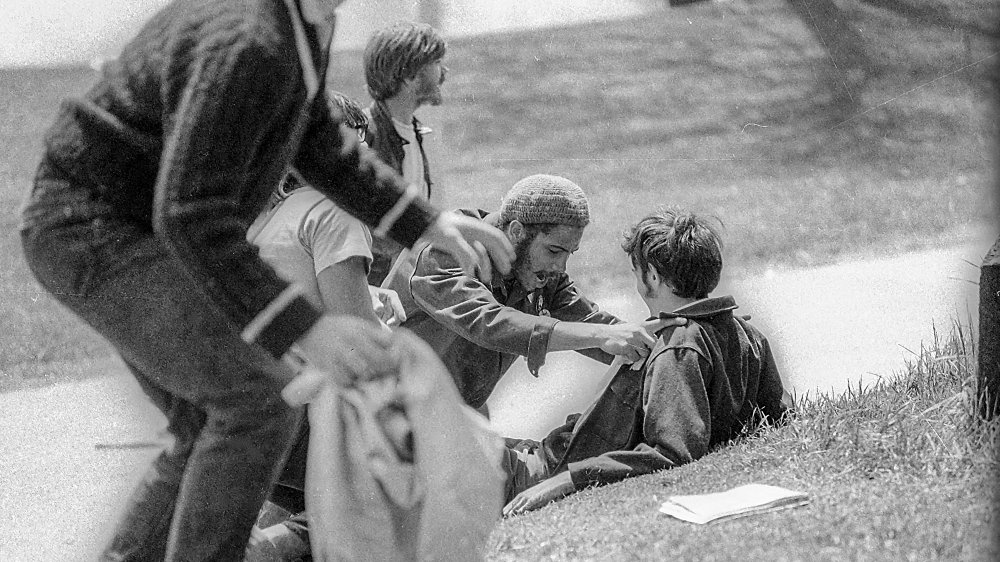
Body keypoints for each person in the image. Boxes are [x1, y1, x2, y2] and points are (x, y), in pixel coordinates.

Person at [18, 1, 513, 560]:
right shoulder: (252, 40)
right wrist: (306, 328)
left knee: (210, 416)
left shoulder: (296, 26)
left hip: (124, 227)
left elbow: (318, 143)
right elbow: (190, 213)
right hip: (92, 226)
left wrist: (424, 220)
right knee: (256, 399)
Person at [500, 208, 793, 516]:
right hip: (552, 452)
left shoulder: (676, 347)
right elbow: (776, 415)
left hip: (549, 469)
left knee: (449, 453)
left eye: (636, 272)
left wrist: (566, 480)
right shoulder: (748, 333)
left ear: (651, 275)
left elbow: (671, 451)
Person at [384, 174, 681, 411]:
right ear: (515, 231)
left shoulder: (540, 270)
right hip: (385, 420)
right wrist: (601, 336)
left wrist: (674, 355)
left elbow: (602, 328)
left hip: (447, 413)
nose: (561, 266)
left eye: (569, 253)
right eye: (554, 250)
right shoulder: (448, 249)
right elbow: (489, 323)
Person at [361, 21, 448, 284]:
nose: (444, 72)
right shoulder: (365, 134)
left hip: (402, 281)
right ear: (409, 76)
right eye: (436, 63)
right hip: (375, 286)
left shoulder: (418, 133)